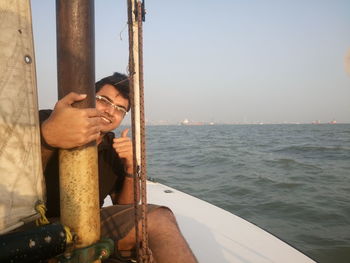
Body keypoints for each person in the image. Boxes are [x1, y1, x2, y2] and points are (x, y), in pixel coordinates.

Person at [39, 72, 198, 263]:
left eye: (120, 109)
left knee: (153, 232)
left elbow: (125, 207)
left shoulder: (114, 150)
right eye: (104, 100)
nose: (110, 111)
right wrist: (46, 136)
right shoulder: (48, 120)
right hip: (31, 224)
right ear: (89, 97)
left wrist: (130, 167)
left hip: (90, 226)